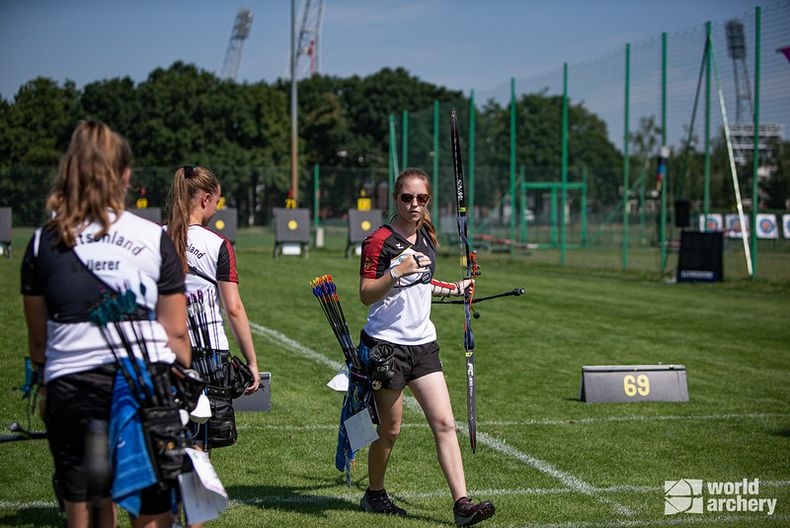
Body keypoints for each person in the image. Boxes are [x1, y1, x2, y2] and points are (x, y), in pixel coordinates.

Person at [21, 119, 191, 528]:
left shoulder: (44, 241)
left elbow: (40, 345)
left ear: (68, 171)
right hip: (143, 385)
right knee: (151, 510)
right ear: (126, 176)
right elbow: (176, 333)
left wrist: (47, 385)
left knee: (90, 507)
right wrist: (183, 387)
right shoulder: (153, 236)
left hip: (72, 388)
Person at [358, 168, 495, 526]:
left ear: (428, 201)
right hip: (386, 348)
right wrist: (396, 272)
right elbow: (365, 294)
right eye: (407, 198)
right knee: (389, 430)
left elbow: (423, 282)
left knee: (445, 424)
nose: (414, 205)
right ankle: (374, 494)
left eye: (421, 199)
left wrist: (454, 288)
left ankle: (462, 504)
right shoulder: (378, 241)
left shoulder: (427, 238)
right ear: (396, 199)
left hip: (423, 345)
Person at [165, 165, 260, 452]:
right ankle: (195, 494)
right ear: (205, 199)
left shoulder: (155, 237)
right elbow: (234, 309)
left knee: (168, 432)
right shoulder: (218, 244)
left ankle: (174, 494)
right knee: (199, 437)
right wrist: (251, 362)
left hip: (164, 348)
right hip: (209, 353)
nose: (217, 209)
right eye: (216, 202)